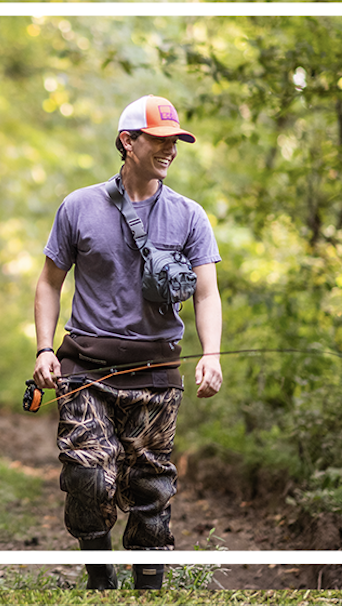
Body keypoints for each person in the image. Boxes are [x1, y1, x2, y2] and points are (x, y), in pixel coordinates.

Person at [32, 95, 225, 590]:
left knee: (149, 487)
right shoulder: (78, 206)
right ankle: (100, 580)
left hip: (158, 376)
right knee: (88, 475)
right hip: (86, 370)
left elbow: (207, 293)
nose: (170, 149)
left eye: (175, 141)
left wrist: (211, 355)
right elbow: (49, 282)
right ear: (127, 141)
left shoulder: (189, 216)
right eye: (160, 140)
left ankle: (149, 589)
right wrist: (44, 348)